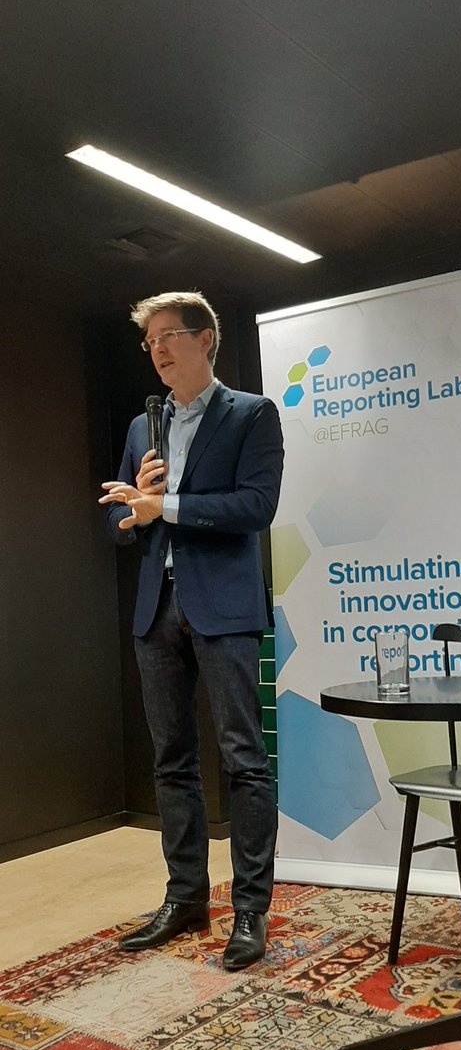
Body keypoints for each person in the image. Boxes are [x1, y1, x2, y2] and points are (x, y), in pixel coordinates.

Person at [100, 291, 284, 969]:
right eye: (149, 342)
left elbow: (256, 505)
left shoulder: (251, 414)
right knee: (170, 760)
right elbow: (120, 517)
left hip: (223, 607)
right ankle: (185, 899)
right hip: (157, 608)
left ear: (205, 339)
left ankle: (250, 911)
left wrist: (167, 505)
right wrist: (132, 513)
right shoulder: (140, 427)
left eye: (168, 336)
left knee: (243, 759)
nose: (157, 350)